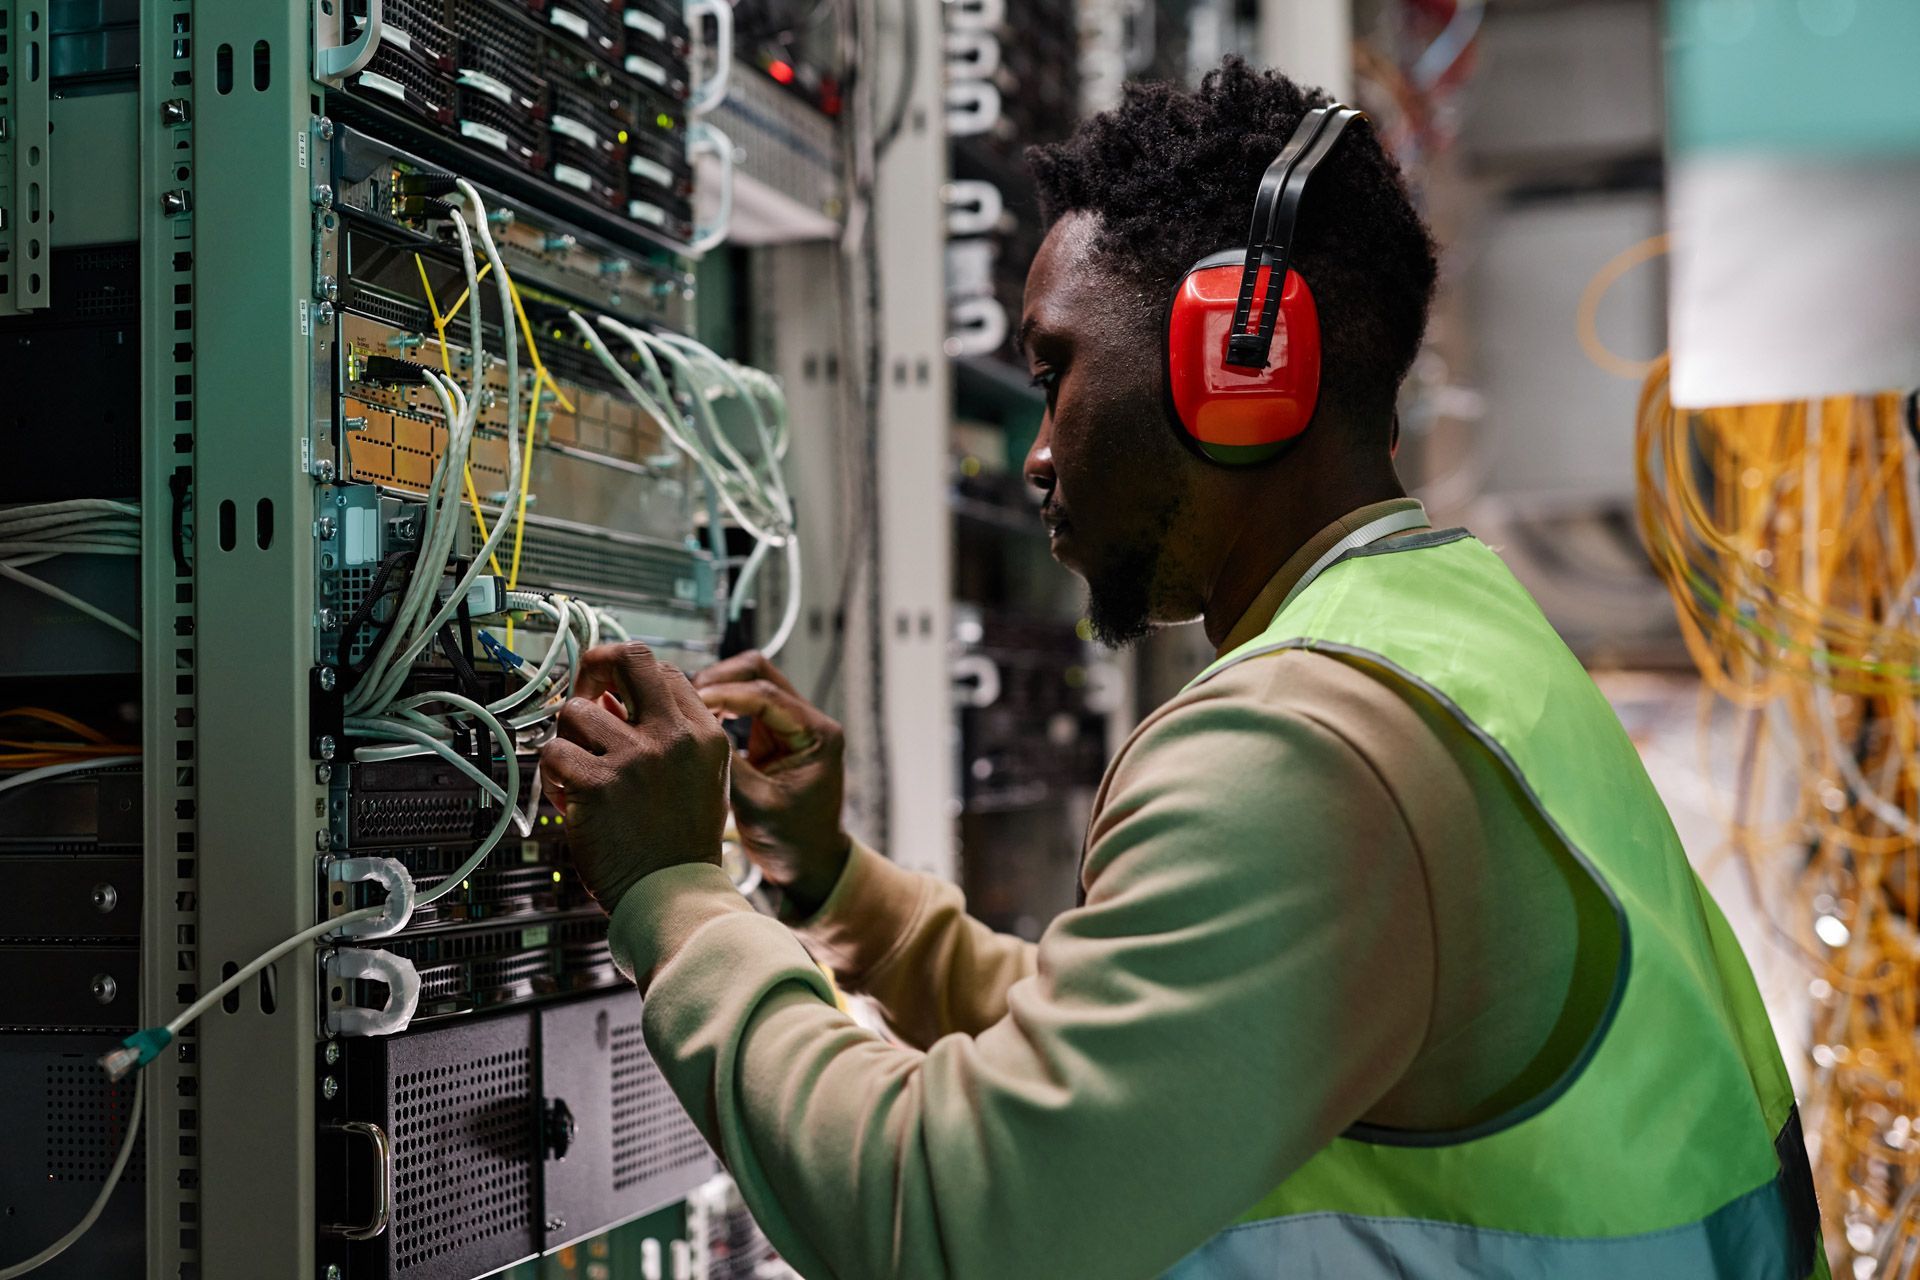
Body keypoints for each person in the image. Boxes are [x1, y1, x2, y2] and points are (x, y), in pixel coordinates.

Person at [539, 58, 1824, 1280]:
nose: (1038, 455)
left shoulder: (1302, 744)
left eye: (1057, 374)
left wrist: (673, 890)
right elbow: (1143, 1051)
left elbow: (941, 1216)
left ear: (1244, 367)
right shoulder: (1454, 638)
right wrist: (829, 880)